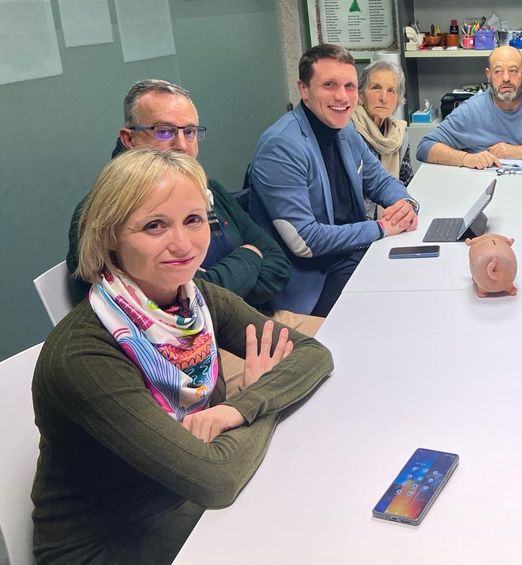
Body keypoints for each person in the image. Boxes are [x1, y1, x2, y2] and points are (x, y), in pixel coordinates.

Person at [32, 149, 333, 564]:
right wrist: (257, 401)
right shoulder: (84, 354)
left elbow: (313, 354)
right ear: (108, 238)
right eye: (154, 226)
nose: (183, 244)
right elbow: (217, 479)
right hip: (111, 542)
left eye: (194, 220)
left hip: (182, 499)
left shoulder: (194, 299)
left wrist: (235, 409)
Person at [66, 79, 291, 314]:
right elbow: (156, 308)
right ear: (129, 139)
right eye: (164, 131)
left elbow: (277, 265)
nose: (182, 145)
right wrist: (249, 258)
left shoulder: (210, 188)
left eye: (190, 132)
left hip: (250, 316)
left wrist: (212, 285)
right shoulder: (103, 210)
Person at [247, 43, 419, 316]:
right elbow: (306, 241)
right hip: (314, 283)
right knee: (400, 310)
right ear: (304, 89)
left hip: (352, 255)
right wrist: (382, 228)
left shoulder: (344, 130)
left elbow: (381, 181)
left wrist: (405, 204)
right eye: (329, 85)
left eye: (349, 86)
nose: (342, 96)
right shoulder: (280, 146)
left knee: (420, 282)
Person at [416, 45, 522, 169]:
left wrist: (516, 152)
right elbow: (425, 147)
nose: (506, 78)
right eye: (498, 71)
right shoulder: (471, 110)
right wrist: (466, 159)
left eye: (513, 70)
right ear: (488, 75)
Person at [350, 60, 414, 188]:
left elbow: (406, 184)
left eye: (391, 90)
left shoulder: (399, 135)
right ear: (360, 95)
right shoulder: (349, 132)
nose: (383, 98)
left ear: (398, 99)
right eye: (376, 88)